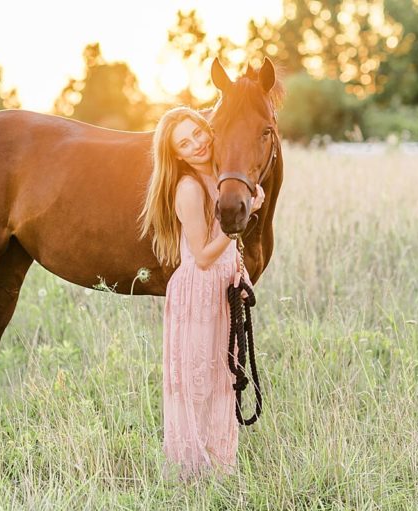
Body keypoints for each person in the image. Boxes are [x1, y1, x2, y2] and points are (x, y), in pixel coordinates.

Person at [138, 106, 264, 480]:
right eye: (185, 143)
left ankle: (220, 467)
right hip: (197, 290)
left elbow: (227, 253)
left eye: (198, 133)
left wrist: (242, 281)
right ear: (175, 154)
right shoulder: (189, 189)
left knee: (223, 378)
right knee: (198, 382)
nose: (196, 144)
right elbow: (205, 255)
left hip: (221, 289)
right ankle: (191, 470)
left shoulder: (223, 182)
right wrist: (240, 219)